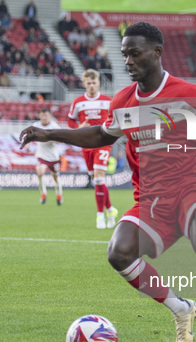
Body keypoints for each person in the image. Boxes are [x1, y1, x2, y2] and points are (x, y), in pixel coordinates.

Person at [20, 22, 196, 342]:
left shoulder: (189, 95)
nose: (128, 61)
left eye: (134, 53)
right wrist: (50, 134)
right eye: (124, 55)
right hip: (151, 201)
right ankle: (181, 308)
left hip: (192, 190)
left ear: (157, 52)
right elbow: (100, 136)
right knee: (118, 253)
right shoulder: (123, 101)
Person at [68, 69, 118, 229]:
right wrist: (78, 127)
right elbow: (70, 122)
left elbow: (116, 119)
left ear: (98, 83)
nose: (91, 86)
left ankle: (99, 216)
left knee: (98, 177)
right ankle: (110, 209)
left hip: (103, 142)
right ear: (84, 84)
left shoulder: (108, 101)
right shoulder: (78, 102)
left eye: (93, 82)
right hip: (86, 144)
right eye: (88, 83)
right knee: (97, 180)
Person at [31, 108, 64, 205]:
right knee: (40, 173)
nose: (44, 117)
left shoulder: (55, 127)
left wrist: (51, 139)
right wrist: (28, 144)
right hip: (41, 154)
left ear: (50, 116)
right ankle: (43, 193)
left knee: (56, 177)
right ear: (40, 116)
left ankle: (59, 195)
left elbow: (60, 140)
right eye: (42, 115)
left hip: (53, 156)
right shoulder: (36, 125)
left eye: (46, 115)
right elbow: (29, 135)